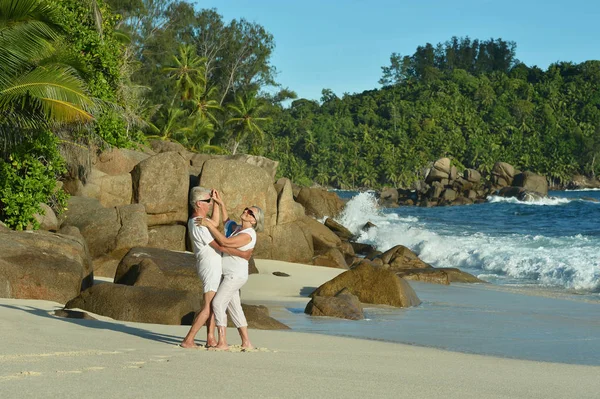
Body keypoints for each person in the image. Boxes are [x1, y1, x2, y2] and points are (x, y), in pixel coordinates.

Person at [180, 187, 251, 349]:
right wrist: (242, 254)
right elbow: (219, 245)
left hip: (211, 264)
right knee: (208, 306)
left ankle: (210, 338)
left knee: (212, 305)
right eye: (207, 202)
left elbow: (216, 222)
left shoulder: (202, 220)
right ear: (198, 203)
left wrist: (218, 203)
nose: (210, 204)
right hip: (209, 265)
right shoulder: (198, 223)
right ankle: (188, 339)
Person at [200, 197, 264, 351]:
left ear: (255, 221)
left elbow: (225, 242)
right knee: (235, 308)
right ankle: (246, 342)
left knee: (218, 303)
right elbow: (226, 221)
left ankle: (222, 341)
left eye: (251, 214)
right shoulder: (237, 228)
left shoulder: (249, 234)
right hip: (230, 275)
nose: (247, 212)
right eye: (247, 210)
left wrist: (208, 225)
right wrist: (221, 204)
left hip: (235, 276)